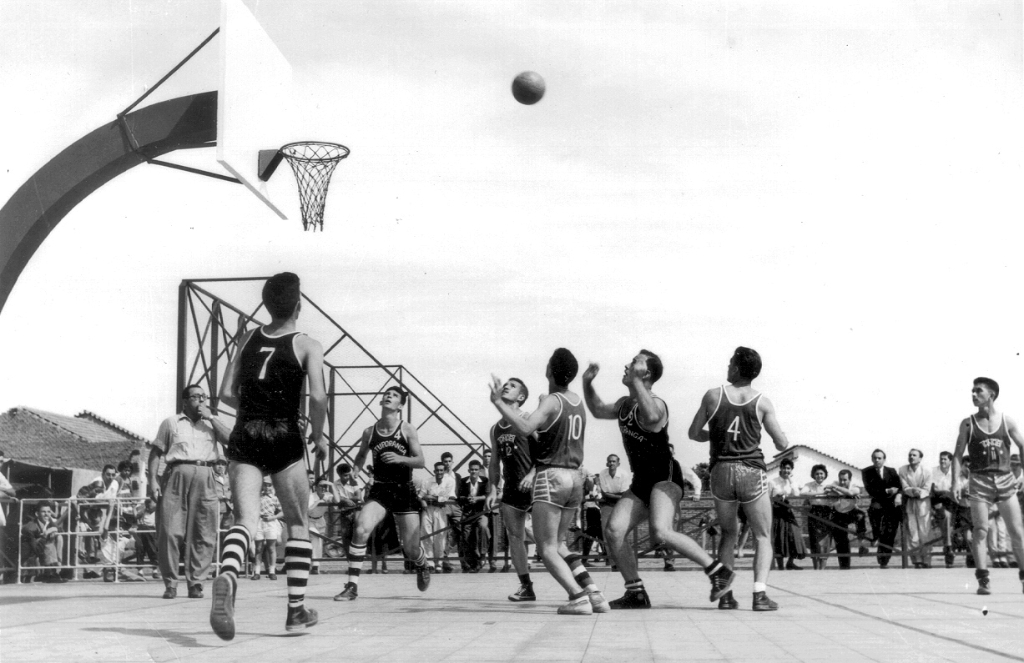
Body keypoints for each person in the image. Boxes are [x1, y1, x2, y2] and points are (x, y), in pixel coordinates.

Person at [209, 272, 328, 640]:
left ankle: (228, 574)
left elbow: (226, 393)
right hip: (283, 433)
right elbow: (319, 398)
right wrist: (319, 435)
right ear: (298, 305)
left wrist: (256, 404)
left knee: (244, 520)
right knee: (296, 523)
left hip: (246, 431)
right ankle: (295, 611)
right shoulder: (308, 344)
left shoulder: (247, 338)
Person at [583, 351, 734, 609]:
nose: (627, 364)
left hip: (665, 477)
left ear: (647, 374)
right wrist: (587, 383)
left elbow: (652, 419)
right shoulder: (623, 405)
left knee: (661, 531)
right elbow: (597, 409)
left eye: (634, 363)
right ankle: (636, 592)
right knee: (614, 530)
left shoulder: (657, 404)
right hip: (642, 479)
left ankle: (718, 571)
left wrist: (638, 383)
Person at [489, 347, 610, 616]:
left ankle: (578, 597)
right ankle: (594, 593)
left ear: (549, 371)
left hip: (551, 476)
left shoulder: (552, 400)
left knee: (546, 549)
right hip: (575, 477)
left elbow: (525, 428)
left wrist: (497, 402)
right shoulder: (576, 400)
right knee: (560, 544)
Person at [688, 346, 789, 611]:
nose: (727, 365)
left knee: (728, 533)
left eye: (730, 361)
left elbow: (694, 433)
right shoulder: (762, 402)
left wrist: (718, 434)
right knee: (763, 535)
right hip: (751, 471)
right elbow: (781, 443)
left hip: (721, 470)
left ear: (736, 368)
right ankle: (759, 595)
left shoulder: (713, 396)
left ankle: (726, 596)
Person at [333, 386, 430, 600]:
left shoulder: (407, 429)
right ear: (381, 402)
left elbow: (421, 461)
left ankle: (422, 564)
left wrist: (400, 459)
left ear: (400, 405)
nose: (389, 396)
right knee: (360, 528)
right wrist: (356, 471)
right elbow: (360, 456)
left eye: (394, 395)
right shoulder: (370, 431)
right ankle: (352, 586)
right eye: (387, 394)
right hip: (381, 489)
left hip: (404, 489)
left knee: (411, 549)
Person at [148, 384, 228, 600]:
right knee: (170, 531)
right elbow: (156, 452)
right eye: (196, 397)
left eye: (204, 397)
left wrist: (212, 418)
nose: (201, 400)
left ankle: (196, 583)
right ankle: (171, 584)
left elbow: (230, 439)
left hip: (206, 475)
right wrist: (152, 480)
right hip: (177, 474)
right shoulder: (171, 423)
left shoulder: (211, 424)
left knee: (204, 532)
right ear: (185, 401)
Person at [952, 377, 1024, 595]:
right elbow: (957, 455)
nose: (973, 395)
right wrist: (956, 480)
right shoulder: (968, 423)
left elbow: (1022, 446)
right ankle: (983, 580)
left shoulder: (1007, 421)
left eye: (978, 391)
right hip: (980, 481)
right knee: (981, 530)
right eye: (972, 391)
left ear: (991, 394)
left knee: (1017, 532)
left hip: (1004, 479)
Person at [486, 377, 540, 601]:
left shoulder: (529, 419)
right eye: (505, 383)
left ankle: (578, 582)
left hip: (535, 486)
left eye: (513, 385)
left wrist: (532, 473)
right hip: (511, 488)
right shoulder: (496, 428)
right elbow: (494, 460)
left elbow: (547, 452)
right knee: (514, 537)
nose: (506, 386)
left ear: (521, 397)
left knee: (550, 543)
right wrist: (492, 488)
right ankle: (526, 586)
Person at [862, 449, 902, 568]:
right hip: (877, 506)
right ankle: (881, 557)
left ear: (884, 459)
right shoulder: (866, 471)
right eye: (875, 458)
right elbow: (870, 490)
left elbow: (899, 485)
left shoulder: (891, 471)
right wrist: (887, 491)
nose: (877, 460)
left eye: (879, 458)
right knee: (879, 532)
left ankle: (885, 560)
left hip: (891, 506)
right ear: (872, 459)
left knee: (889, 533)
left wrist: (897, 493)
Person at [824, 469, 867, 570]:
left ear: (850, 480)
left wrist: (838, 490)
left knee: (861, 515)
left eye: (845, 480)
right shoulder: (835, 483)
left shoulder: (854, 485)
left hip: (851, 511)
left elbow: (853, 492)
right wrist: (844, 492)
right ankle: (844, 567)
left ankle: (862, 544)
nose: (842, 482)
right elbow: (827, 491)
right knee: (841, 539)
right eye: (840, 480)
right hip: (838, 513)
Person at [768, 458, 805, 570]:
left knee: (795, 534)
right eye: (784, 468)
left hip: (787, 511)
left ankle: (790, 562)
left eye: (788, 468)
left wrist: (790, 480)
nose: (786, 470)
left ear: (791, 470)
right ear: (781, 468)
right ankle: (780, 566)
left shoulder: (791, 482)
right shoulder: (772, 482)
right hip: (776, 511)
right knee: (779, 537)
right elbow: (768, 498)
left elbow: (797, 494)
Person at [900, 449, 933, 568]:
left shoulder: (927, 471)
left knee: (925, 532)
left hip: (923, 503)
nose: (911, 457)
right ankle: (916, 560)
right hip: (910, 503)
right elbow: (905, 487)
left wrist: (919, 492)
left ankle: (927, 559)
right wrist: (912, 491)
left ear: (920, 458)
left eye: (914, 455)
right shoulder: (903, 470)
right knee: (913, 533)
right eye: (910, 455)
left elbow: (927, 487)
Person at [420, 462, 455, 572]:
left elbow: (450, 497)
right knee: (427, 535)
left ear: (444, 471)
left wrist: (432, 497)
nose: (439, 472)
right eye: (437, 470)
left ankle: (439, 563)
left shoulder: (450, 481)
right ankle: (429, 563)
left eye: (441, 470)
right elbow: (421, 496)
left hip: (441, 510)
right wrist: (424, 501)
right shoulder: (427, 481)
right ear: (434, 471)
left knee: (440, 536)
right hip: (428, 509)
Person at [457, 460, 491, 572]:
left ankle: (482, 554)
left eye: (476, 469)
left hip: (480, 512)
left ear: (479, 470)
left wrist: (477, 498)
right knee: (466, 536)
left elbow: (488, 495)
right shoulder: (463, 481)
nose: (474, 471)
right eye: (472, 469)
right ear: (468, 470)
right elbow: (459, 496)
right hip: (468, 513)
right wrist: (467, 499)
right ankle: (473, 562)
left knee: (483, 527)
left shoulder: (485, 481)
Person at [21, 502, 66, 583]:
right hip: (29, 557)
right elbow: (36, 549)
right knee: (49, 542)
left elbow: (59, 529)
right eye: (43, 512)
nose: (47, 514)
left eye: (49, 512)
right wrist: (45, 535)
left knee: (58, 536)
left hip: (41, 554)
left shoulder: (48, 522)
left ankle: (54, 569)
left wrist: (53, 530)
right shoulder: (31, 527)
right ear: (37, 514)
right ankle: (51, 573)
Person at [930, 451, 957, 567]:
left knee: (953, 524)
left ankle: (950, 547)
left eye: (945, 459)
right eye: (941, 459)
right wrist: (944, 493)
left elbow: (956, 491)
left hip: (953, 504)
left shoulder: (955, 472)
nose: (942, 461)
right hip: (938, 503)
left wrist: (947, 493)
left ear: (950, 461)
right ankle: (948, 548)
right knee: (946, 517)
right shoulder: (933, 472)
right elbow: (932, 491)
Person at [803, 465, 832, 570]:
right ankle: (816, 568)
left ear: (825, 475)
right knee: (814, 541)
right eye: (817, 474)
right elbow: (802, 493)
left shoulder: (830, 485)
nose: (819, 476)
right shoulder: (809, 485)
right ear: (813, 475)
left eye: (821, 473)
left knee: (825, 541)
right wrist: (822, 493)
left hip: (826, 512)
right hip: (814, 512)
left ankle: (822, 568)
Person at [440, 452, 464, 571]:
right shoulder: (440, 476)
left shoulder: (458, 476)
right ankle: (444, 560)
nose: (448, 464)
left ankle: (463, 560)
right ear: (442, 463)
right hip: (444, 505)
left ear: (452, 462)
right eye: (445, 461)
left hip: (456, 505)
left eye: (449, 461)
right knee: (443, 532)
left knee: (461, 530)